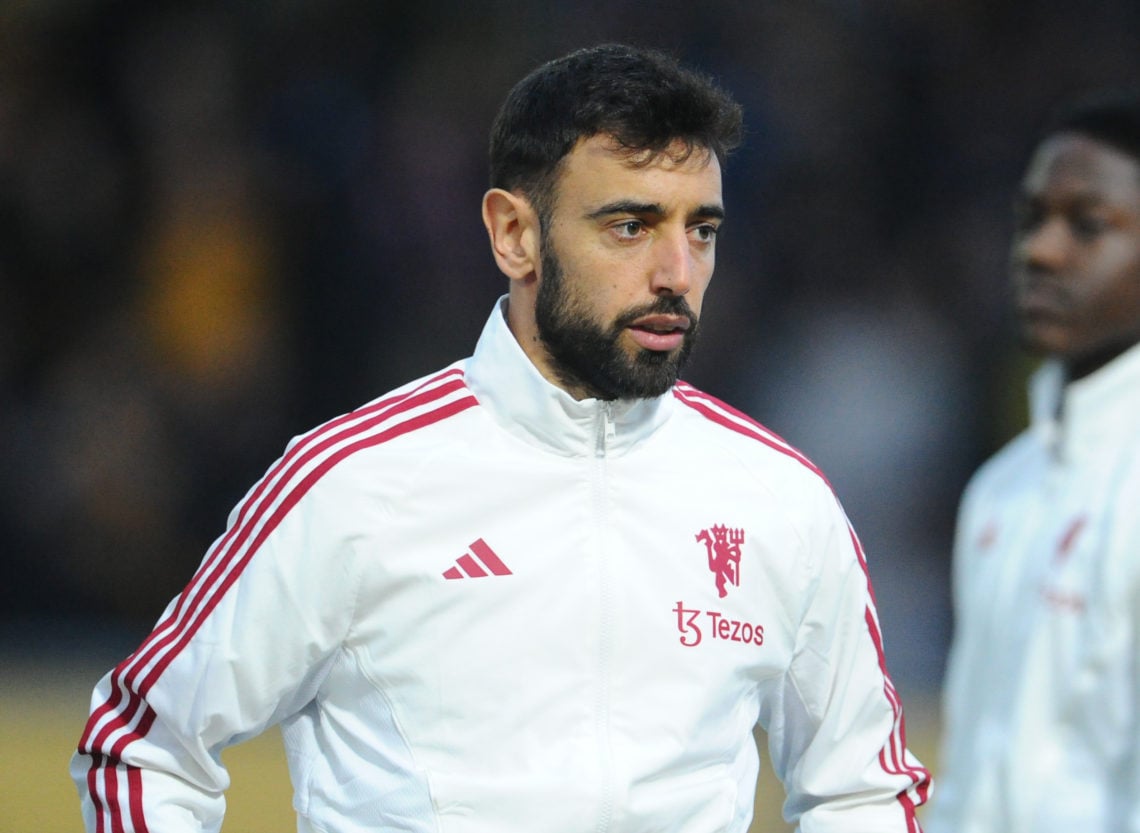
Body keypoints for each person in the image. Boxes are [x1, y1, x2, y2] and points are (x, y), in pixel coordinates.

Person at [71, 43, 930, 832]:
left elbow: (860, 789)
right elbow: (139, 745)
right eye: (630, 226)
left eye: (700, 229)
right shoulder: (353, 482)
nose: (677, 273)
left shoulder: (780, 500)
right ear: (514, 234)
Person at [926, 91, 1140, 833]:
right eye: (1030, 220)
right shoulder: (1000, 489)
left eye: (1088, 225)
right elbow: (967, 771)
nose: (1040, 250)